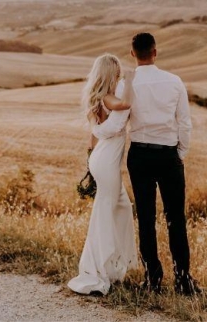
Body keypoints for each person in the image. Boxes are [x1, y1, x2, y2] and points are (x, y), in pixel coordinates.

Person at [93, 32, 198, 296]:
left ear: (132, 54)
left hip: (140, 155)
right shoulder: (174, 82)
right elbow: (184, 122)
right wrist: (179, 154)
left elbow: (118, 124)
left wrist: (94, 129)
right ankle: (183, 279)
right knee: (176, 218)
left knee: (147, 219)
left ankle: (153, 279)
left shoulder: (125, 86)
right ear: (155, 51)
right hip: (168, 155)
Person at [67, 54, 138, 295]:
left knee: (120, 207)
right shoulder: (108, 98)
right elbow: (126, 105)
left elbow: (93, 135)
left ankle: (110, 265)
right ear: (110, 74)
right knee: (105, 212)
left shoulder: (97, 98)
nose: (119, 75)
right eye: (116, 72)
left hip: (101, 158)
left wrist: (90, 158)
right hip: (107, 161)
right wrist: (130, 80)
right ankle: (97, 270)